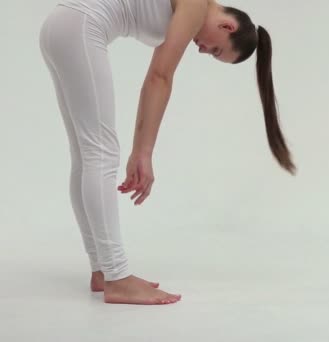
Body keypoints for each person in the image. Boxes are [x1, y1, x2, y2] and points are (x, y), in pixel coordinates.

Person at [38, 0, 296, 305]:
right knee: (100, 155)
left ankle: (103, 270)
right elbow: (159, 77)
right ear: (228, 26)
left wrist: (141, 151)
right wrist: (142, 154)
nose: (202, 51)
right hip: (79, 25)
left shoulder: (190, 11)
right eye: (216, 50)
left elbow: (158, 77)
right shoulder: (198, 4)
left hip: (62, 25)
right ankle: (118, 278)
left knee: (86, 155)